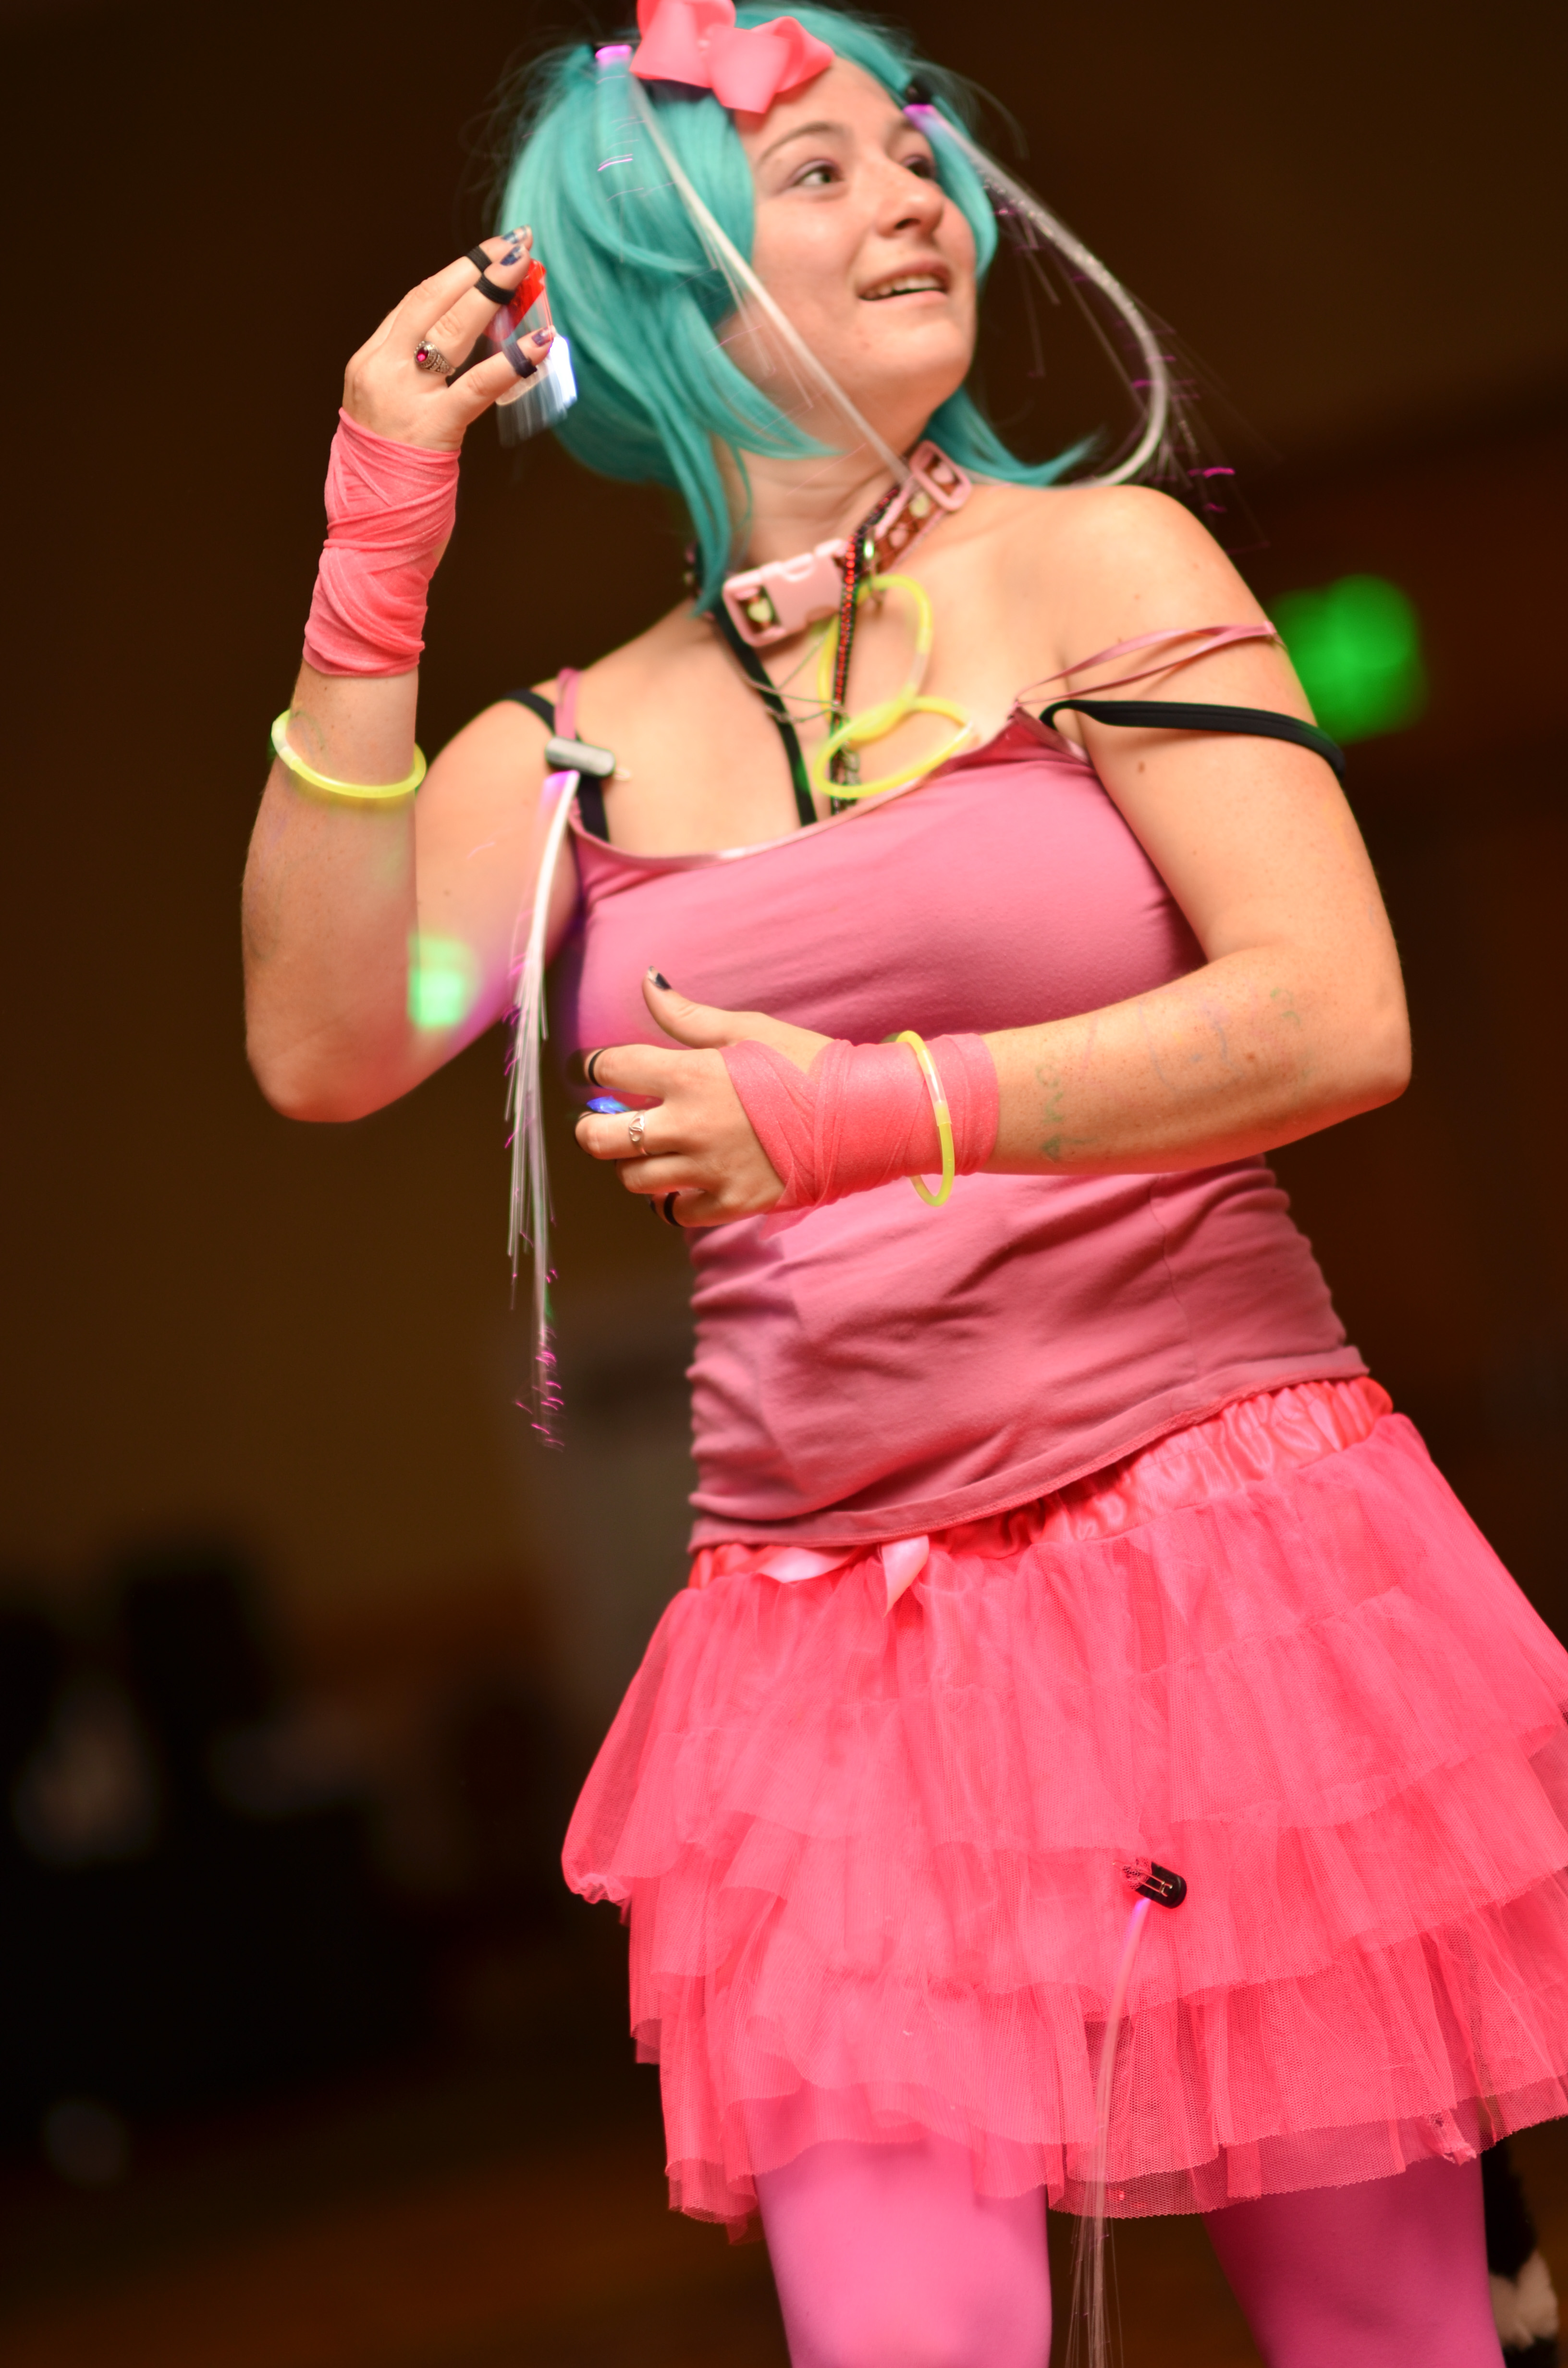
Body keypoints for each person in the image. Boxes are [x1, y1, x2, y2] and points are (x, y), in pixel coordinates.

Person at [242, 8, 1568, 2362]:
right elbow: (329, 1043)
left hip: (1231, 1554)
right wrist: (375, 548)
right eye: (824, 172)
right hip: (830, 1648)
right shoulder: (566, 751)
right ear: (663, 286)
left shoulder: (1094, 561)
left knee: (1387, 2334)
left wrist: (862, 1114)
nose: (918, 199)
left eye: (918, 152)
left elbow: (1332, 1012)